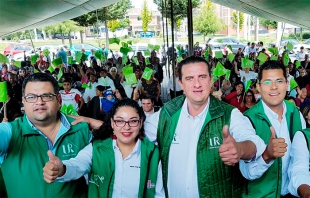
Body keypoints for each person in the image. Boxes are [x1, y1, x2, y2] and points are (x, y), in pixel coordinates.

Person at [71, 56, 266, 197]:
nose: (197, 84)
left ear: (211, 80)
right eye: (190, 78)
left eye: (202, 77)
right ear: (180, 83)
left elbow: (253, 143)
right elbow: (132, 129)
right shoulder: (167, 114)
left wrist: (240, 149)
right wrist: (94, 122)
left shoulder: (229, 114)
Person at [43, 98, 165, 198]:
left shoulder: (152, 154)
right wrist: (62, 169)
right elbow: (78, 164)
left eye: (133, 121)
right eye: (120, 121)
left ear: (141, 122)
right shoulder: (97, 148)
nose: (126, 127)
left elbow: (159, 194)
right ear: (112, 123)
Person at [0, 73, 91, 197]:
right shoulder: (10, 132)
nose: (39, 102)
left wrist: (99, 124)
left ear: (58, 100)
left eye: (46, 96)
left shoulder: (82, 130)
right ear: (23, 102)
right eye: (31, 97)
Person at [242, 60, 306, 197]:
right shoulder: (247, 120)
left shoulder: (296, 114)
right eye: (267, 82)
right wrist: (266, 156)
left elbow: (301, 162)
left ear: (287, 84)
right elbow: (246, 173)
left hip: (292, 193)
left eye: (279, 81)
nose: (274, 87)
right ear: (258, 87)